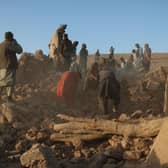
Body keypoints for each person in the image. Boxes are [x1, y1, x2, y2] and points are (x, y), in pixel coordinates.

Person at [0, 32, 23, 102]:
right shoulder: (10, 44)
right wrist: (15, 43)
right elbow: (20, 50)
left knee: (1, 82)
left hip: (1, 67)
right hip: (9, 66)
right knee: (10, 82)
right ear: (11, 37)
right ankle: (9, 98)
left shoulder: (1, 44)